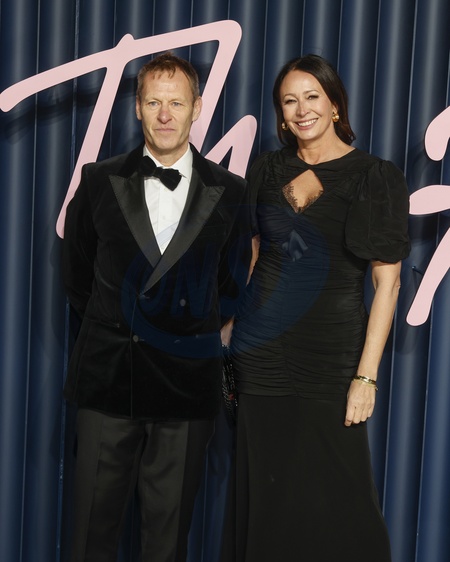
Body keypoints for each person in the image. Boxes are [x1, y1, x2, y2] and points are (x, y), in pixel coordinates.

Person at [62, 52, 251, 562]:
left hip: (185, 390)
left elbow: (231, 287)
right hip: (107, 382)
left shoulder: (232, 192)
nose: (165, 114)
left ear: (197, 108)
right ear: (137, 108)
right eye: (153, 103)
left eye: (177, 103)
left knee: (167, 544)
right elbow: (77, 275)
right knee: (90, 538)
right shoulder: (98, 180)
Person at [227, 54, 410, 562]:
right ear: (282, 116)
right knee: (266, 493)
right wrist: (228, 333)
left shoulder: (374, 175)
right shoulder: (266, 169)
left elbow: (388, 282)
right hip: (260, 354)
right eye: (290, 101)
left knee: (341, 500)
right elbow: (253, 256)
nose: (302, 109)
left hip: (331, 358)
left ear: (334, 105)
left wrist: (366, 377)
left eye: (312, 97)